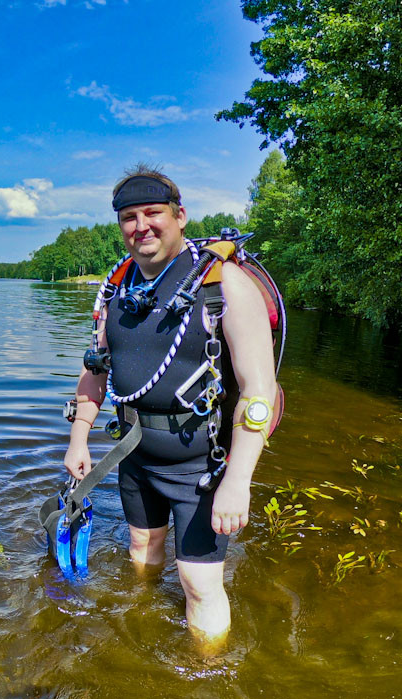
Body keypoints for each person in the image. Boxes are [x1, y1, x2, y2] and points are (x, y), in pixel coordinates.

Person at [64, 166, 277, 640]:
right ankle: (137, 632)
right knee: (141, 551)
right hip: (135, 457)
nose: (142, 226)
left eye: (153, 213)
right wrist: (79, 439)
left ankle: (208, 680)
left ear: (180, 216)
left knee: (199, 584)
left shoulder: (222, 287)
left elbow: (260, 394)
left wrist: (238, 482)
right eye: (129, 217)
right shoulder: (116, 291)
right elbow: (95, 370)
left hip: (199, 467)